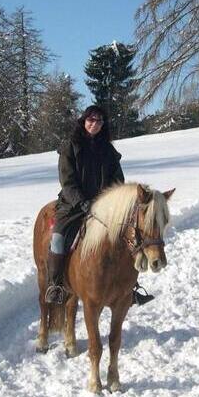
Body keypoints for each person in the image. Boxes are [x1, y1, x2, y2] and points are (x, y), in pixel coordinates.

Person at [45, 105, 154, 306]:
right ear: (83, 121)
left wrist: (107, 202)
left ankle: (131, 287)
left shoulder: (109, 150)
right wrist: (82, 202)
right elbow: (67, 182)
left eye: (99, 121)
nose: (95, 124)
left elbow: (118, 180)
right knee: (59, 239)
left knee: (129, 237)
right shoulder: (70, 147)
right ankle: (56, 284)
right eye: (91, 120)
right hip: (72, 206)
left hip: (103, 208)